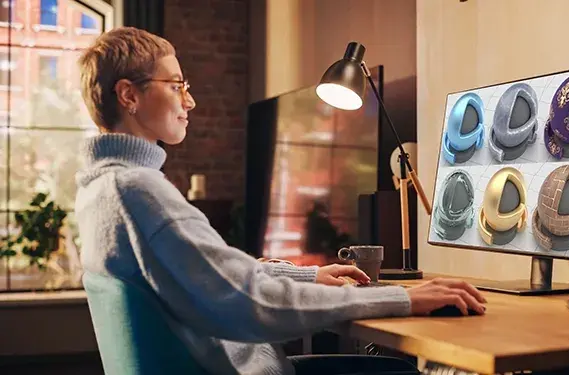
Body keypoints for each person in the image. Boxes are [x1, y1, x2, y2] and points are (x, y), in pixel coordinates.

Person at [74, 26, 487, 375]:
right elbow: (248, 300)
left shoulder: (103, 191)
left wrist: (307, 277)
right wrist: (406, 298)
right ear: (128, 96)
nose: (189, 100)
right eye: (176, 85)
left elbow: (216, 276)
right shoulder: (140, 193)